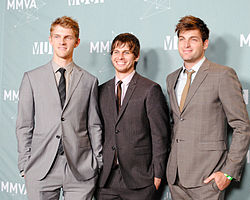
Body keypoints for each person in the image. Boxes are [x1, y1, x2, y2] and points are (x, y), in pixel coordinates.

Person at [16, 16, 103, 200]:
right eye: (57, 36)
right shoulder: (32, 78)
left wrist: (97, 162)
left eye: (68, 37)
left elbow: (94, 125)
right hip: (40, 168)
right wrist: (25, 164)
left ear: (77, 42)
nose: (62, 42)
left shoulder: (89, 80)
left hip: (80, 168)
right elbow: (24, 125)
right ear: (50, 40)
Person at [166, 15, 250, 199]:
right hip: (176, 178)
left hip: (208, 179)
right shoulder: (171, 78)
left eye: (193, 39)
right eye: (182, 39)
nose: (186, 45)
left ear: (205, 44)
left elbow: (241, 126)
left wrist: (228, 173)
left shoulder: (222, 75)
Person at [96, 33, 170, 200]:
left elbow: (160, 136)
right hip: (106, 180)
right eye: (116, 52)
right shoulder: (100, 91)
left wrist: (158, 174)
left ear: (136, 57)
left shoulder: (150, 89)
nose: (120, 57)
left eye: (126, 52)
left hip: (140, 180)